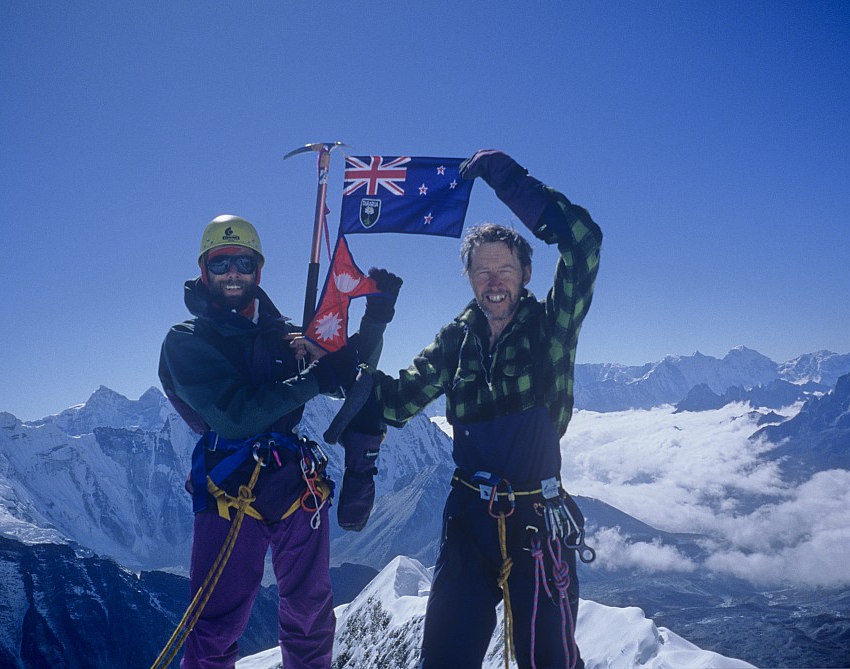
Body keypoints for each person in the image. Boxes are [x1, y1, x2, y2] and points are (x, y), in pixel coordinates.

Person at [369, 150, 602, 668]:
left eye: (505, 268)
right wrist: (349, 347)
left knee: (551, 661)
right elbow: (397, 402)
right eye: (482, 270)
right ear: (469, 278)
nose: (494, 281)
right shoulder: (456, 338)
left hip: (537, 520)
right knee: (445, 659)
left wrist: (509, 181)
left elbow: (584, 243)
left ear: (525, 272)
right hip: (469, 521)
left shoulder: (551, 330)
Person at [158, 215, 399, 669]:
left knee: (311, 616)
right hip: (231, 486)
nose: (233, 272)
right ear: (204, 270)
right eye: (222, 262)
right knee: (215, 626)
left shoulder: (284, 334)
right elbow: (234, 417)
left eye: (243, 262)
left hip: (292, 486)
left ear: (258, 270)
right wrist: (313, 378)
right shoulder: (186, 342)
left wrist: (376, 318)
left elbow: (352, 374)